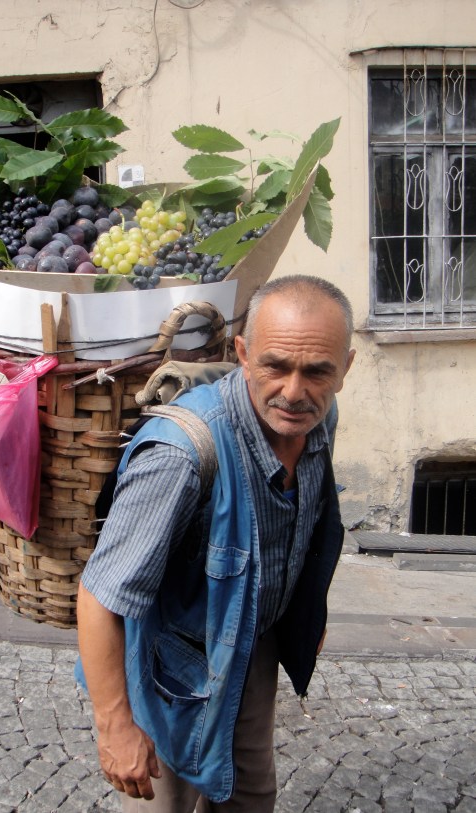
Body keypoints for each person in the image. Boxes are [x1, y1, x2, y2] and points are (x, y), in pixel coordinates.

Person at [76, 274, 356, 812]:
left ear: (345, 368)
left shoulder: (320, 420)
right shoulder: (181, 456)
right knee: (167, 802)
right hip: (166, 666)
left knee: (250, 795)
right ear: (243, 353)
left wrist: (305, 612)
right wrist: (115, 727)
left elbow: (310, 520)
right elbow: (99, 596)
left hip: (251, 639)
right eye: (276, 366)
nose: (294, 392)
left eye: (317, 371)